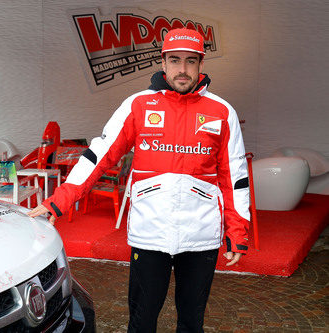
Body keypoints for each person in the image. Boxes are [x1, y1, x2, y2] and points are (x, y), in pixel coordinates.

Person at [28, 28, 250, 332]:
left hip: (201, 235)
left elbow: (235, 177)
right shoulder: (137, 105)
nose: (182, 70)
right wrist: (58, 202)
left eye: (190, 61)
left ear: (201, 64)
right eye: (175, 60)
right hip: (150, 234)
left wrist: (238, 231)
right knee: (142, 321)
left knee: (192, 322)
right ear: (163, 62)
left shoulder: (222, 112)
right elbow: (99, 156)